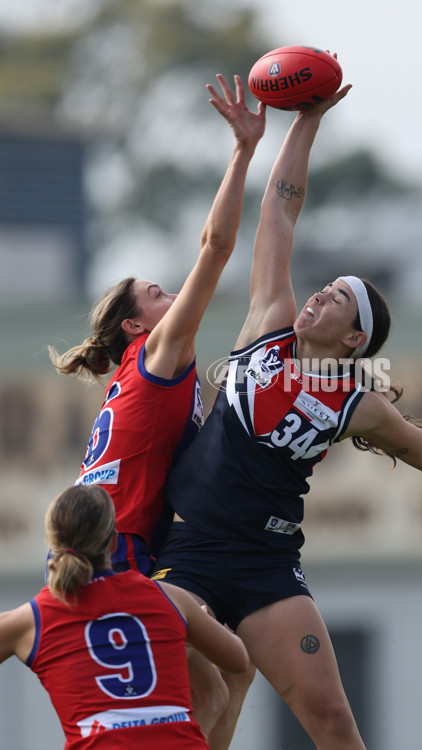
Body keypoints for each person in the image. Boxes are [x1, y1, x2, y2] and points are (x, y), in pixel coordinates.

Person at [151, 82, 422, 749]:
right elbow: (280, 215)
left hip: (267, 563)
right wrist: (306, 121)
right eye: (324, 288)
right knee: (201, 702)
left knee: (333, 722)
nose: (318, 296)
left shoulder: (357, 401)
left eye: (336, 301)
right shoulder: (267, 327)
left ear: (355, 340)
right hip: (189, 552)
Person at [48, 75, 265, 745]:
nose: (171, 297)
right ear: (136, 326)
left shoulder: (129, 384)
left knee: (215, 681)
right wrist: (242, 151)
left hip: (87, 552)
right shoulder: (159, 356)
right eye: (157, 292)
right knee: (222, 679)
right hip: (123, 554)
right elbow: (216, 248)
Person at [0, 484, 250, 750]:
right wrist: (188, 635)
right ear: (114, 542)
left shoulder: (32, 619)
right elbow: (238, 660)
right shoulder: (169, 597)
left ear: (53, 545)